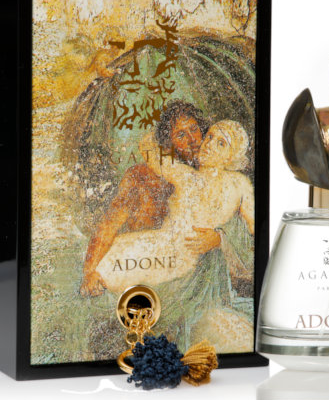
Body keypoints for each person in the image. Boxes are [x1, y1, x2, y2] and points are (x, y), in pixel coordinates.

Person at [80, 100, 222, 297]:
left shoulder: (216, 172)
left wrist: (219, 238)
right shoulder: (142, 177)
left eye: (194, 129)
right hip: (148, 273)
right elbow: (108, 226)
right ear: (168, 143)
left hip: (198, 274)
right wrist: (89, 272)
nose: (192, 139)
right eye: (181, 135)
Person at [96, 120, 254, 291]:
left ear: (231, 156)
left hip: (189, 262)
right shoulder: (186, 175)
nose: (209, 144)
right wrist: (162, 130)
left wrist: (220, 238)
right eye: (209, 136)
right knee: (112, 257)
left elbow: (254, 232)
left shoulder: (239, 184)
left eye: (221, 143)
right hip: (162, 248)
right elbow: (149, 151)